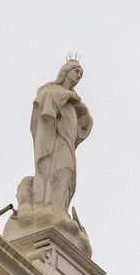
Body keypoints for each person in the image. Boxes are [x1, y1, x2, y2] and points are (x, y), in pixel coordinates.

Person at [29, 59, 93, 214]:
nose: (78, 76)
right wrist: (66, 95)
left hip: (68, 141)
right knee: (52, 169)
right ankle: (45, 205)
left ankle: (58, 210)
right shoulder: (50, 89)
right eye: (76, 71)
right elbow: (43, 101)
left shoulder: (75, 100)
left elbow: (83, 127)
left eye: (81, 74)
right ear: (65, 71)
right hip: (53, 138)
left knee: (67, 170)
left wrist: (83, 111)